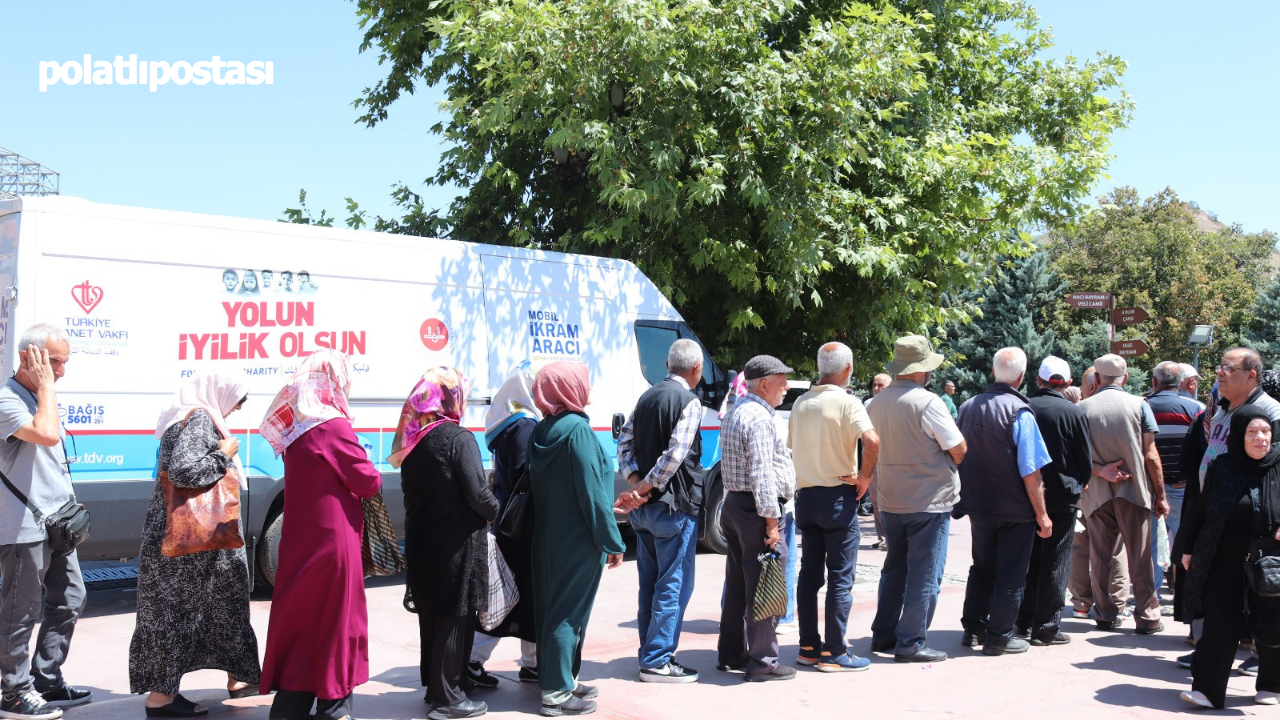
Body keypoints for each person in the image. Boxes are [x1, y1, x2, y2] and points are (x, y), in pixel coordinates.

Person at [259, 351, 383, 720]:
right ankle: (334, 705)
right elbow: (368, 480)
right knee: (336, 620)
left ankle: (291, 705)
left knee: (302, 621)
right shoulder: (333, 426)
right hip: (334, 541)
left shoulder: (295, 427)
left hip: (300, 539)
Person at [130, 373, 261, 718]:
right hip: (187, 547)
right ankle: (160, 699)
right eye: (237, 401)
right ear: (219, 394)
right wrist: (223, 454)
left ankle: (239, 677)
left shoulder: (185, 417)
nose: (235, 410)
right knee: (176, 617)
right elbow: (185, 472)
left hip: (194, 547)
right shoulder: (201, 418)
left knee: (219, 609)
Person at [389, 367, 499, 720]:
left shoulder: (414, 441)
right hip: (456, 544)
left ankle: (435, 687)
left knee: (432, 616)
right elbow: (478, 495)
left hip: (423, 542)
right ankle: (449, 698)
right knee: (455, 616)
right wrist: (495, 508)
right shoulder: (458, 438)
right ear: (452, 397)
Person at [0, 326, 89, 720]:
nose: (61, 372)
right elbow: (47, 436)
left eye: (66, 362)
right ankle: (14, 693)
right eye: (54, 362)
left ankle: (46, 680)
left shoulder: (40, 397)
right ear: (28, 359)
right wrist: (47, 388)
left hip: (55, 524)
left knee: (70, 599)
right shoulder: (6, 401)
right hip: (22, 528)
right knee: (20, 612)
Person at [527, 361, 626, 715]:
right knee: (568, 614)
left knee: (552, 611)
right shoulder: (578, 432)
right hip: (578, 541)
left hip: (546, 539)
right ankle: (556, 693)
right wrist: (613, 541)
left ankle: (562, 676)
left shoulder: (541, 431)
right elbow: (592, 494)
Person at [865, 335, 966, 663]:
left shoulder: (874, 403)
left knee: (894, 569)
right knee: (925, 572)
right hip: (928, 500)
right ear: (921, 370)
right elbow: (959, 449)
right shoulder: (927, 402)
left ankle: (883, 634)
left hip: (891, 497)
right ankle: (911, 642)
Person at [613, 339, 705, 683]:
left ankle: (649, 651)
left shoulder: (646, 397)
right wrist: (643, 487)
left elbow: (624, 444)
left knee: (649, 584)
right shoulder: (689, 401)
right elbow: (675, 455)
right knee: (673, 584)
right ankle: (657, 658)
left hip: (645, 511)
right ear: (695, 368)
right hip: (672, 507)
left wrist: (635, 483)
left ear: (668, 364)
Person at [1178, 406, 1280, 708]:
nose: (1260, 438)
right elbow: (1202, 508)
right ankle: (1207, 690)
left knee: (1272, 619)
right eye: (1252, 432)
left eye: (1265, 431)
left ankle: (1272, 684)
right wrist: (1188, 548)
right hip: (1223, 555)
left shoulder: (1278, 465)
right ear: (1239, 435)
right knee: (1219, 621)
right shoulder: (1223, 465)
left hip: (1270, 559)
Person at [954, 347, 1053, 656]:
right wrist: (1043, 515)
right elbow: (1031, 470)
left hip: (978, 504)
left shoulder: (968, 406)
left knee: (982, 567)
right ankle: (999, 637)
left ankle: (973, 628)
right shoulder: (1019, 412)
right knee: (1011, 574)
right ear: (1022, 377)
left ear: (994, 371)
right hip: (1014, 508)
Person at [787, 343, 878, 672]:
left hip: (807, 497)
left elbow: (793, 447)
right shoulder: (848, 402)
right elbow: (872, 440)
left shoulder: (801, 403)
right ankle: (836, 651)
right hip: (838, 496)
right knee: (840, 578)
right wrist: (864, 478)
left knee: (809, 576)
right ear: (848, 368)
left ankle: (808, 647)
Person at [716, 355, 797, 682]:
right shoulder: (760, 418)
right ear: (764, 384)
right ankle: (763, 662)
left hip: (735, 507)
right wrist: (772, 523)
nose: (786, 387)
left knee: (738, 587)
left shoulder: (738, 409)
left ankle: (732, 653)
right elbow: (762, 475)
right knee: (766, 584)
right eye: (781, 381)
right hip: (755, 511)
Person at [1078, 354, 1168, 634]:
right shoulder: (1140, 405)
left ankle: (1105, 614)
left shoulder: (1081, 408)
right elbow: (1150, 455)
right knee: (1140, 557)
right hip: (1135, 492)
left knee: (1101, 557)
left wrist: (1101, 470)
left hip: (1096, 492)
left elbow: (1075, 457)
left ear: (1096, 379)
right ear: (1125, 378)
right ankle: (1148, 617)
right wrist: (1160, 494)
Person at [468, 362, 541, 689]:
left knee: (523, 598)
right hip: (521, 530)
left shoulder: (508, 423)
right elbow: (528, 479)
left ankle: (532, 663)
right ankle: (472, 661)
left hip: (510, 526)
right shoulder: (525, 426)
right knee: (508, 599)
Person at [1017, 356, 1093, 646]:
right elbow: (1084, 459)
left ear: (1038, 380)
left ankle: (1022, 622)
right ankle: (1046, 627)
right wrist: (1080, 484)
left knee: (1027, 558)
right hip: (1063, 496)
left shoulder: (1024, 407)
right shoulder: (1073, 413)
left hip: (1025, 495)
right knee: (1056, 560)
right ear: (1069, 383)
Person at [1067, 365, 1131, 621]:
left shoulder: (1081, 412)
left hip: (1086, 492)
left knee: (1080, 548)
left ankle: (1082, 603)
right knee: (1115, 549)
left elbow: (1073, 457)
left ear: (1092, 384)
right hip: (1121, 490)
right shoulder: (1128, 407)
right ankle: (1116, 604)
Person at [1146, 361, 1204, 589]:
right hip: (1183, 488)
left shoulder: (1141, 406)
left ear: (1154, 382)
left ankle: (1152, 597)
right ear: (1181, 383)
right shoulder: (1196, 408)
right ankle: (1184, 593)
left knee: (1150, 545)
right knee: (1186, 542)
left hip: (1150, 489)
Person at [864, 373, 894, 545]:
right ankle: (882, 536)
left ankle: (892, 538)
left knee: (891, 499)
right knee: (875, 500)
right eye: (874, 385)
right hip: (873, 460)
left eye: (881, 385)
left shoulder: (897, 404)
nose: (876, 389)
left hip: (892, 460)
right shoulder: (868, 405)